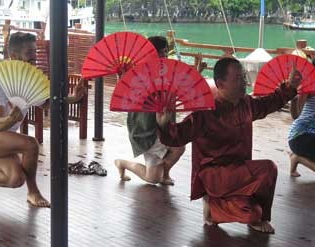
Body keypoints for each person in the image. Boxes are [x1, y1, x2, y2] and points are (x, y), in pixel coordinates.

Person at [156, 57, 302, 234]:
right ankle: (231, 208)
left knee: (252, 213)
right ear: (220, 83)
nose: (244, 82)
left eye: (243, 77)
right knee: (267, 168)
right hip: (215, 175)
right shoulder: (206, 112)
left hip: (239, 173)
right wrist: (164, 125)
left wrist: (291, 86)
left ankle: (213, 211)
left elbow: (269, 103)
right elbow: (177, 137)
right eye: (238, 78)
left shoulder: (246, 103)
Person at [0, 32, 85, 206]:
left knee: (15, 179)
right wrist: (11, 120)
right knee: (31, 144)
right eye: (29, 52)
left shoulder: (28, 79)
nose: (34, 57)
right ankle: (33, 192)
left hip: (3, 136)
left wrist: (72, 98)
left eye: (35, 52)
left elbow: (46, 104)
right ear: (14, 56)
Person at [115, 36, 205, 185]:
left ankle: (164, 174)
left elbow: (182, 88)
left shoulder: (169, 70)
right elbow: (127, 95)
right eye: (160, 52)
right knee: (153, 178)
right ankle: (123, 163)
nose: (163, 56)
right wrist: (122, 78)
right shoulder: (140, 73)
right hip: (145, 129)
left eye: (164, 52)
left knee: (178, 148)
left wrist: (197, 72)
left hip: (164, 125)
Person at [288, 90, 315, 177]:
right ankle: (297, 158)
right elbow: (296, 115)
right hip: (300, 136)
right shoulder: (309, 87)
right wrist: (294, 101)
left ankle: (295, 159)